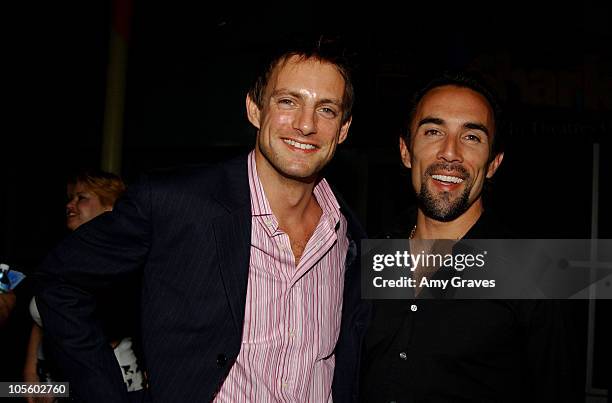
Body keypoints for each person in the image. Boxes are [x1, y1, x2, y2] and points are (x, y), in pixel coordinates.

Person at [35, 38, 368, 402]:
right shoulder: (176, 204)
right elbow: (60, 280)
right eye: (288, 101)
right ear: (254, 110)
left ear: (344, 129)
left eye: (327, 110)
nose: (306, 125)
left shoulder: (350, 237)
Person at [360, 72, 572, 402]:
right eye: (433, 131)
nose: (450, 153)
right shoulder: (368, 255)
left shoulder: (531, 272)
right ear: (405, 151)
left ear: (493, 164)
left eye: (472, 137)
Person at [24, 171, 145, 401]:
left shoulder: (118, 263)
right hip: (52, 379)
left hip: (106, 382)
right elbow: (43, 316)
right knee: (6, 390)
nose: (70, 204)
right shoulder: (62, 257)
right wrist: (30, 373)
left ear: (110, 210)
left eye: (82, 198)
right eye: (70, 198)